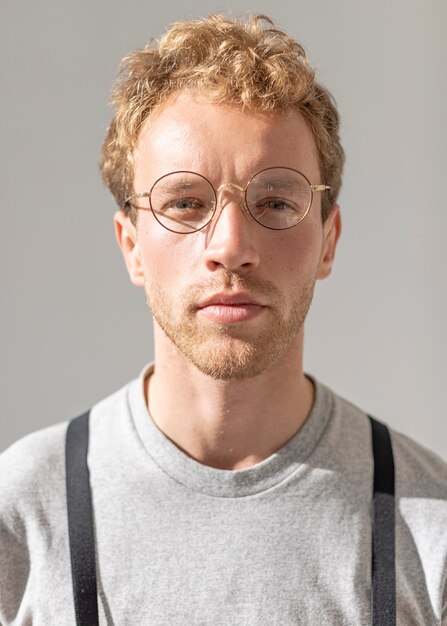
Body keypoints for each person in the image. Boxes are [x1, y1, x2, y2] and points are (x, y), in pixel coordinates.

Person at [1, 13, 446, 626]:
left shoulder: (432, 525)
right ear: (130, 244)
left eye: (274, 202)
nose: (231, 245)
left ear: (327, 243)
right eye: (185, 203)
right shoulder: (21, 513)